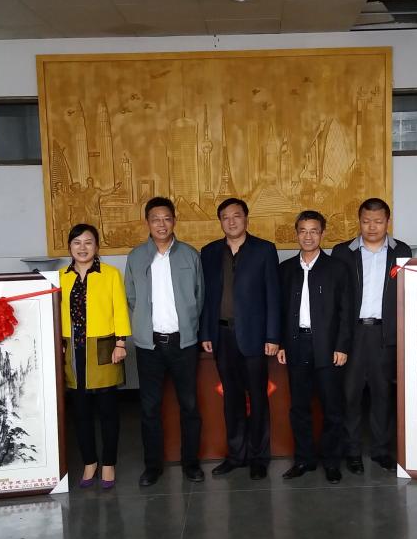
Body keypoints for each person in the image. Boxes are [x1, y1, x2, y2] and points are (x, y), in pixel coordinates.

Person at [125, 197, 205, 486]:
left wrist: (191, 327)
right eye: (155, 219)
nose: (161, 224)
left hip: (183, 343)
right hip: (149, 345)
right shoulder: (136, 257)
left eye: (167, 218)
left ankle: (191, 464)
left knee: (190, 405)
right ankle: (153, 466)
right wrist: (143, 327)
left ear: (174, 221)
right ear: (147, 222)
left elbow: (199, 296)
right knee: (149, 408)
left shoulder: (190, 255)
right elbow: (131, 298)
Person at [200, 198, 281, 481]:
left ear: (246, 218)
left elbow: (273, 295)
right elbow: (206, 297)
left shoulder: (264, 250)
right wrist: (206, 332)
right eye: (225, 217)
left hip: (255, 337)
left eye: (236, 216)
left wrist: (273, 335)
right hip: (222, 335)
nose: (231, 221)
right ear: (220, 221)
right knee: (231, 399)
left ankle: (259, 457)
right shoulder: (209, 252)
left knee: (258, 398)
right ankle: (236, 455)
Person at [331, 198, 412, 475]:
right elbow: (335, 298)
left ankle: (380, 451)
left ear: (388, 221)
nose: (372, 227)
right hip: (352, 334)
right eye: (366, 221)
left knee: (382, 395)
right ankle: (352, 451)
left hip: (384, 334)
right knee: (350, 395)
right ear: (359, 221)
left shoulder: (401, 251)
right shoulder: (343, 252)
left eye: (378, 222)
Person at [277, 211, 353, 484]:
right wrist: (282, 343)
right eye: (303, 231)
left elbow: (346, 311)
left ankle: (331, 462)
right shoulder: (286, 269)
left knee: (332, 407)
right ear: (296, 233)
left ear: (322, 233)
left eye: (314, 231)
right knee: (299, 407)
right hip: (296, 344)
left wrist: (342, 346)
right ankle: (304, 459)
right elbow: (280, 310)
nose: (308, 236)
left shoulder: (337, 269)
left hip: (328, 347)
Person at [60, 224, 132, 490]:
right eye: (77, 242)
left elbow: (120, 308)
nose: (82, 248)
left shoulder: (110, 274)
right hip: (73, 349)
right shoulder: (60, 277)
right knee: (80, 412)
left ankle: (109, 463)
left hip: (104, 347)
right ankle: (89, 462)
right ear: (70, 247)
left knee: (108, 411)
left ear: (97, 246)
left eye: (88, 242)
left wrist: (121, 342)